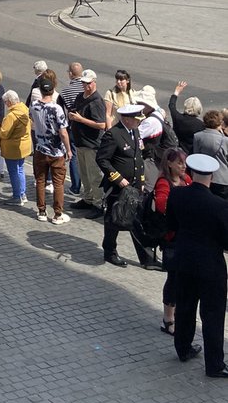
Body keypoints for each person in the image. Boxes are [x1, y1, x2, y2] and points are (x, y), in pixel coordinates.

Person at [166, 152, 228, 377]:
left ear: (191, 172)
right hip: (211, 266)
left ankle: (182, 349)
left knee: (185, 307)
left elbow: (171, 224)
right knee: (212, 314)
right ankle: (214, 365)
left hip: (183, 260)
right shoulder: (219, 205)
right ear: (211, 175)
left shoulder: (177, 195)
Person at [97, 103, 146, 267]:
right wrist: (118, 179)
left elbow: (138, 157)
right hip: (118, 188)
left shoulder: (135, 131)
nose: (139, 122)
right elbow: (102, 159)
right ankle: (110, 251)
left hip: (135, 186)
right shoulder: (113, 135)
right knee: (114, 220)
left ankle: (146, 257)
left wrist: (141, 181)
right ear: (126, 119)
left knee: (136, 221)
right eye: (136, 119)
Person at [152, 148, 191, 337]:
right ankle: (168, 319)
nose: (184, 166)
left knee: (181, 279)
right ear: (169, 164)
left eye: (184, 162)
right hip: (172, 240)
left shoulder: (186, 180)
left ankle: (176, 315)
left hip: (185, 239)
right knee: (173, 279)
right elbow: (161, 205)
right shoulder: (164, 183)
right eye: (179, 163)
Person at [28, 78, 72, 224]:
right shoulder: (56, 108)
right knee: (58, 183)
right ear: (53, 91)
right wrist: (69, 149)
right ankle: (58, 214)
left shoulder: (34, 105)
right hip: (56, 151)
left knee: (40, 180)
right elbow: (63, 132)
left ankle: (41, 211)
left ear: (40, 90)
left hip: (40, 148)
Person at [67, 69, 106, 215]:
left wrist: (80, 119)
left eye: (88, 83)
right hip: (80, 142)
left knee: (94, 176)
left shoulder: (97, 101)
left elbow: (102, 125)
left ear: (94, 83)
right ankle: (88, 198)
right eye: (83, 83)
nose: (85, 86)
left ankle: (98, 204)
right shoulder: (80, 96)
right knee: (84, 174)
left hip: (92, 144)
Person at [0, 89, 31, 206]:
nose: (5, 105)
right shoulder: (25, 110)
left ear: (9, 102)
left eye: (6, 102)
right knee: (20, 169)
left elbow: (4, 133)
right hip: (24, 145)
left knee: (13, 171)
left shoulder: (11, 116)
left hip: (12, 148)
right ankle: (22, 193)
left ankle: (17, 196)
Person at [169, 81, 206, 153]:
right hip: (192, 153)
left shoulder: (178, 118)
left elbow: (171, 106)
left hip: (178, 151)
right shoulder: (200, 124)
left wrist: (176, 92)